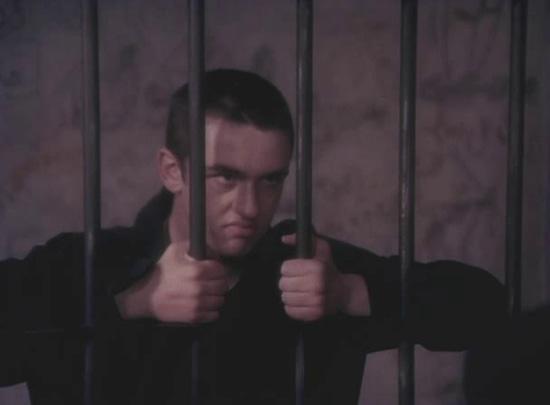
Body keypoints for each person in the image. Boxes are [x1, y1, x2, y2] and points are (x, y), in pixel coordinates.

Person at [0, 69, 505, 405]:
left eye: (271, 181)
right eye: (226, 177)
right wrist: (132, 303)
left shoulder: (304, 266)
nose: (249, 207)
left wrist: (350, 293)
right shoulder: (86, 263)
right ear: (172, 171)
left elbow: (486, 307)